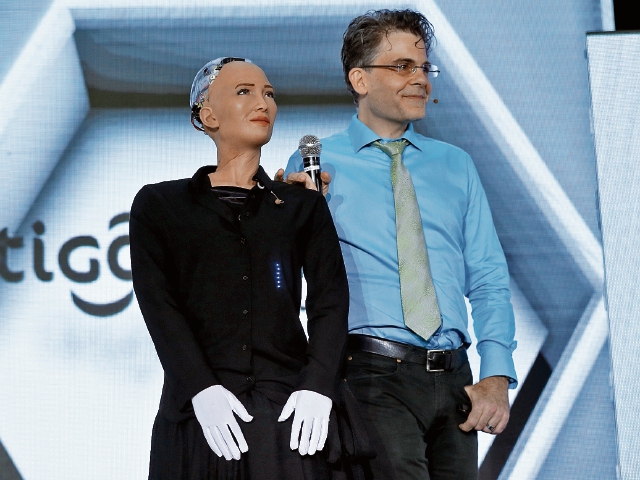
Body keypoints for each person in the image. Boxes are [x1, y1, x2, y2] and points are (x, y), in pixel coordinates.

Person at [282, 9, 517, 479]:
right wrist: (290, 218)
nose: (420, 79)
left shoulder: (456, 164)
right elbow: (289, 279)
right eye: (403, 66)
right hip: (370, 373)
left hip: (456, 379)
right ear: (360, 79)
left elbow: (488, 277)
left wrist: (495, 374)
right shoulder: (315, 165)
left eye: (424, 67)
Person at [130, 57, 349, 479]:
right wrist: (199, 386)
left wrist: (319, 385)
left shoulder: (299, 205)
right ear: (208, 115)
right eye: (244, 91)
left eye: (269, 93)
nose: (262, 102)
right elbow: (159, 305)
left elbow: (331, 298)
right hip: (200, 416)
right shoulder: (160, 205)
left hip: (288, 413)